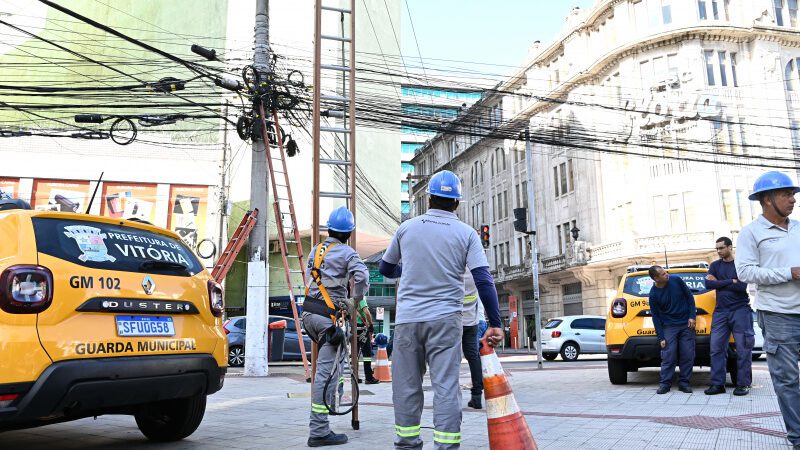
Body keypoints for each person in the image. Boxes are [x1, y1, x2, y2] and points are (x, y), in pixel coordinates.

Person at [379, 170, 503, 449]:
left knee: (406, 387)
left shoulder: (407, 228)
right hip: (446, 321)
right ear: (457, 203)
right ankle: (446, 446)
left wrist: (406, 268)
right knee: (446, 387)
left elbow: (385, 268)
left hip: (408, 320)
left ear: (429, 199)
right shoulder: (467, 234)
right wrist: (495, 322)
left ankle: (407, 443)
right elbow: (483, 279)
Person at [735, 171, 800, 449]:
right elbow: (745, 271)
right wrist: (789, 273)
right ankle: (798, 437)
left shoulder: (798, 227)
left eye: (793, 194)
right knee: (788, 380)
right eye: (786, 194)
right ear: (766, 199)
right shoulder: (751, 233)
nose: (792, 199)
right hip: (778, 315)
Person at [301, 206, 369, 447]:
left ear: (329, 229)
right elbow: (362, 276)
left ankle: (332, 402)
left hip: (309, 315)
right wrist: (354, 300)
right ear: (349, 233)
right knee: (324, 373)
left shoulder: (315, 250)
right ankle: (318, 430)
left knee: (333, 367)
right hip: (327, 319)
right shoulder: (348, 253)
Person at [704, 236, 753, 396]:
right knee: (716, 348)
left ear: (730, 247)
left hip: (740, 310)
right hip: (720, 312)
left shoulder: (740, 265)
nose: (718, 251)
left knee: (743, 348)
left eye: (721, 248)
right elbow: (708, 284)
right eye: (717, 248)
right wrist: (730, 281)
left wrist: (721, 282)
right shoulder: (714, 265)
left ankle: (743, 384)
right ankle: (718, 385)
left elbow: (741, 286)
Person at [648, 265, 697, 394]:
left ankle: (684, 383)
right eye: (663, 274)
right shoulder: (653, 295)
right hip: (669, 326)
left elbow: (689, 297)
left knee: (687, 354)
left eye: (665, 272)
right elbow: (656, 317)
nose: (667, 274)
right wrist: (661, 337)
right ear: (656, 279)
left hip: (686, 324)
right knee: (668, 356)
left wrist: (692, 316)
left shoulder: (676, 280)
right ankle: (665, 384)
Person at [461, 269, 483, 409]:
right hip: (472, 322)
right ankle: (476, 397)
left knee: (449, 358)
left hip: (453, 321)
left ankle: (450, 396)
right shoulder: (475, 270)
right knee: (473, 357)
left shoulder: (452, 264)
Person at [356, 304, 379, 384]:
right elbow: (367, 312)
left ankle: (355, 377)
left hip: (353, 329)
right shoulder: (360, 299)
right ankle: (369, 378)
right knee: (367, 355)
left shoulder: (349, 299)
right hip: (362, 330)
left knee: (355, 355)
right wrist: (371, 324)